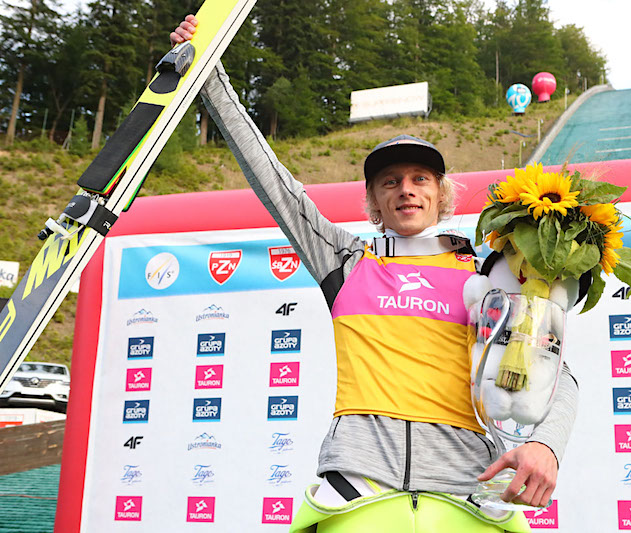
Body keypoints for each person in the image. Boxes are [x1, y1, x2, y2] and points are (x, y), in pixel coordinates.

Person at [172, 15, 578, 533]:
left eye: (420, 178)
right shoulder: (345, 261)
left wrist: (546, 445)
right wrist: (208, 73)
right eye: (390, 182)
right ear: (373, 203)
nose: (405, 189)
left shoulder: (487, 274)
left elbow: (556, 371)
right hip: (358, 493)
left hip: (467, 493)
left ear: (441, 194)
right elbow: (271, 179)